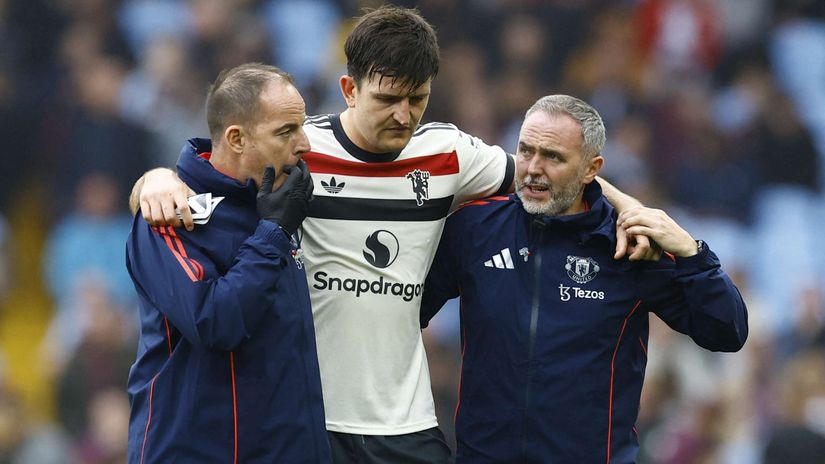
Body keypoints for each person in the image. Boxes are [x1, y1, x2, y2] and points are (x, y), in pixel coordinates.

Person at [129, 7, 650, 463]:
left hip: (407, 424)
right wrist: (155, 179)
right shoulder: (299, 150)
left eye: (418, 98)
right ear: (349, 89)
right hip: (311, 422)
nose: (404, 115)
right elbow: (225, 164)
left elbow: (547, 176)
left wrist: (632, 206)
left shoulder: (450, 155)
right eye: (388, 99)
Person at [420, 95, 749, 463]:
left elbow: (727, 331)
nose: (532, 169)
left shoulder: (630, 245)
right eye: (526, 151)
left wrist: (692, 253)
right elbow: (404, 313)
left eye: (553, 157)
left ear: (591, 169)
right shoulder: (476, 227)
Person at [125, 63, 330, 463]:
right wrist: (272, 232)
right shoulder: (169, 216)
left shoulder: (287, 192)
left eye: (302, 126)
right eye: (287, 132)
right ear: (236, 138)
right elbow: (215, 321)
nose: (305, 143)